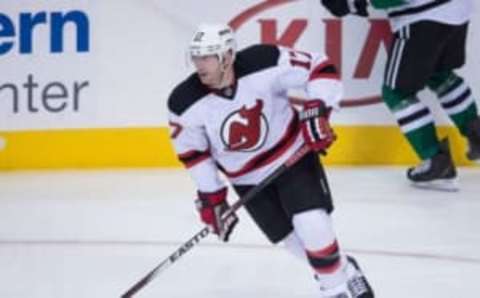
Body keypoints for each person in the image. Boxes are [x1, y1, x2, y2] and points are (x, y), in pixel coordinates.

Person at [167, 23, 375, 298]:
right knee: (292, 242)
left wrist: (319, 108)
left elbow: (320, 68)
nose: (200, 65)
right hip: (246, 178)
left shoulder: (263, 61)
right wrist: (212, 197)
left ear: (228, 56)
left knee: (312, 225)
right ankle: (345, 269)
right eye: (196, 57)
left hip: (292, 156)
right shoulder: (184, 102)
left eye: (207, 57)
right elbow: (194, 154)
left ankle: (334, 290)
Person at [321, 0, 480, 191]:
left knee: (396, 92)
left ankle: (435, 161)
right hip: (457, 9)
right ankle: (476, 132)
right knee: (439, 72)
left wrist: (352, 4)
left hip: (423, 15)